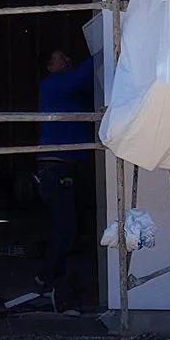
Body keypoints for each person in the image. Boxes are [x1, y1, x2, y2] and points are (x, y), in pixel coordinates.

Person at [32, 44, 96, 299]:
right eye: (62, 57)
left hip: (64, 168)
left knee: (71, 227)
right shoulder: (52, 84)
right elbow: (86, 72)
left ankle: (55, 280)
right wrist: (111, 41)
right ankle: (46, 278)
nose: (68, 59)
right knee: (66, 227)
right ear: (50, 66)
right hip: (55, 169)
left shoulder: (70, 92)